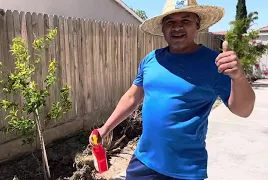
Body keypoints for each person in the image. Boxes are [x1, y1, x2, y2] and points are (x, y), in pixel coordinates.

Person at [89, 0, 256, 179]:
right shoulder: (152, 59)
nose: (177, 27)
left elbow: (244, 110)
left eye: (186, 21)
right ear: (162, 28)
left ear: (197, 25)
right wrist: (105, 128)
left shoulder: (214, 63)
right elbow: (132, 97)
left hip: (184, 169)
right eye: (170, 22)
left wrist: (238, 77)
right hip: (144, 160)